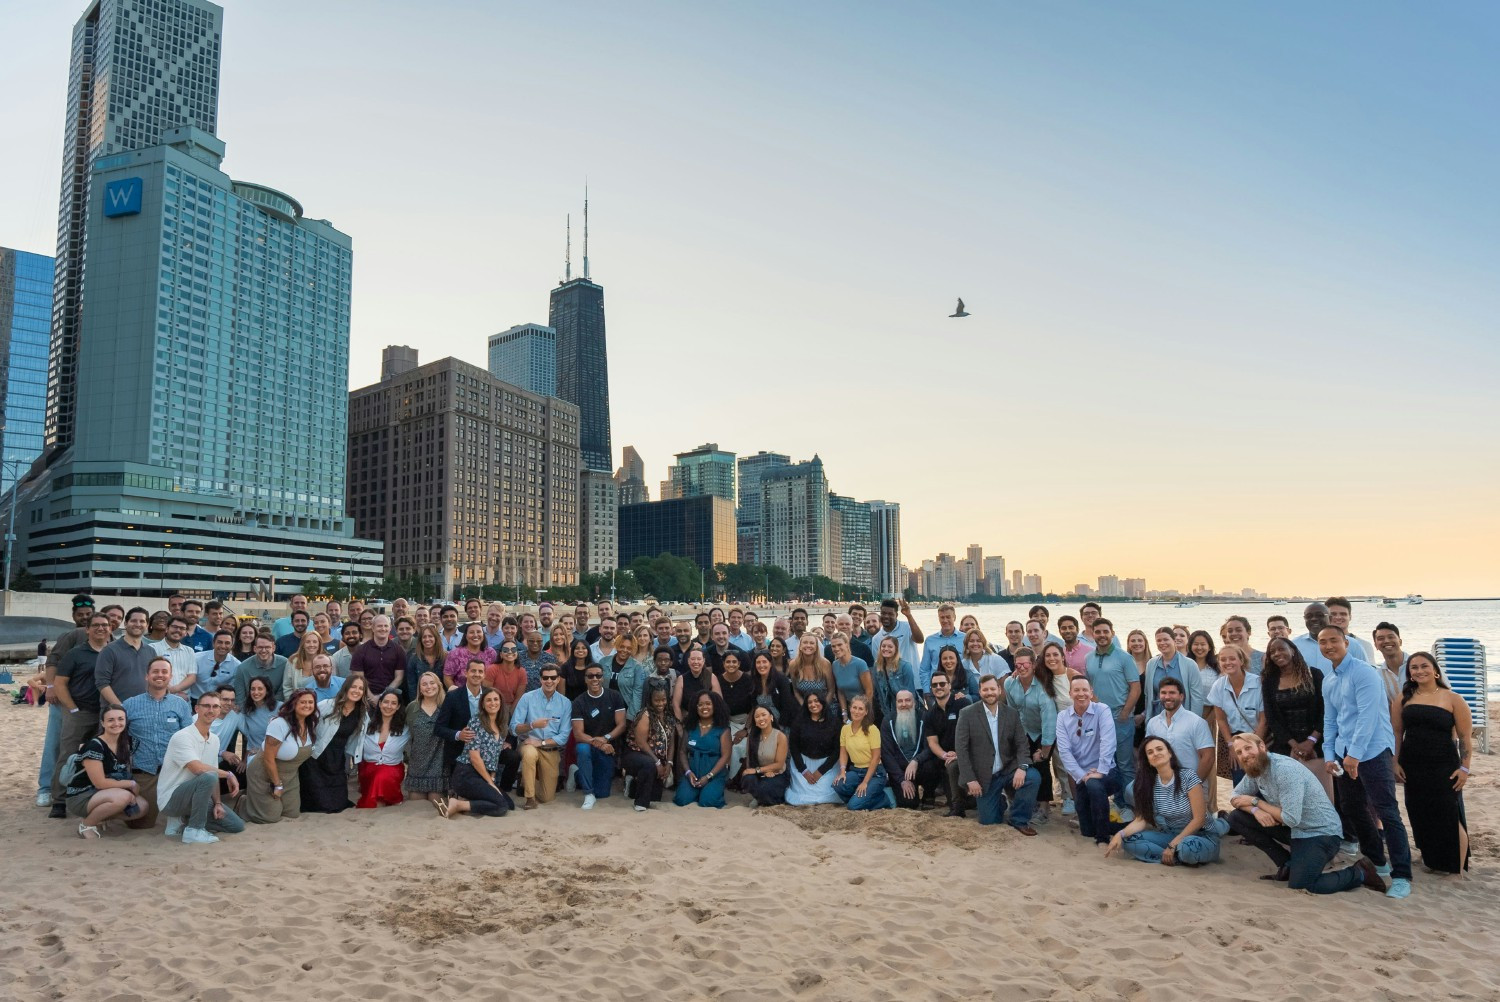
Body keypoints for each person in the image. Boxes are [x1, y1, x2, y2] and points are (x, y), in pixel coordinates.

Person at [1226, 732, 1385, 894]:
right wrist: (1255, 811)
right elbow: (1234, 797)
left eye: (1248, 748)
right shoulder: (1256, 768)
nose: (1244, 755)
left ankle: (1360, 873)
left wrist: (1256, 802)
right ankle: (1286, 865)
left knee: (1304, 884)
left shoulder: (1284, 770)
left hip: (1321, 832)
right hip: (1296, 829)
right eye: (1239, 752)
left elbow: (1290, 819)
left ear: (1261, 746)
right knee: (1236, 818)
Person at [1320, 624, 1413, 898]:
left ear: (1346, 642)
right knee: (1352, 807)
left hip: (1372, 752)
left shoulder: (1364, 672)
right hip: (1343, 751)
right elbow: (1330, 720)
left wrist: (1355, 756)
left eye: (1333, 641)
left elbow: (1368, 716)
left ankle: (1402, 875)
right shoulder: (1329, 679)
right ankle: (1378, 861)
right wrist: (1329, 755)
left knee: (1387, 811)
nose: (1328, 646)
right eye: (1323, 642)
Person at [1394, 652, 1472, 875]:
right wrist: (1395, 762)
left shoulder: (1453, 698)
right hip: (1412, 764)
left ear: (1435, 670)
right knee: (1420, 812)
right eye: (1414, 667)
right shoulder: (1403, 698)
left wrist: (1464, 768)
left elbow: (1466, 738)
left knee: (1448, 814)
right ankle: (1432, 859)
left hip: (1443, 765)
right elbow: (1397, 733)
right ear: (1409, 673)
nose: (1419, 671)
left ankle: (1455, 868)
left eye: (1424, 666)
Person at [1105, 736, 1223, 866]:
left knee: (1186, 848)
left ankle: (1176, 854)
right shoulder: (1148, 785)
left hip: (1200, 835)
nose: (1155, 753)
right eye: (1150, 752)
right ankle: (1173, 857)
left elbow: (1199, 819)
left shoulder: (1188, 777)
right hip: (1170, 835)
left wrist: (1173, 845)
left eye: (1159, 749)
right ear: (1148, 761)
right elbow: (1141, 820)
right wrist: (1119, 834)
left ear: (1170, 753)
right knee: (1127, 840)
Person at [156, 691, 245, 844]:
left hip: (196, 797)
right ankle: (194, 831)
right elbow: (198, 769)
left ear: (219, 710)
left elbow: (213, 774)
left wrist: (217, 803)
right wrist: (229, 774)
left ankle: (184, 821)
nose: (211, 710)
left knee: (236, 825)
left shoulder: (214, 740)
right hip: (171, 799)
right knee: (208, 775)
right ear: (197, 709)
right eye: (206, 706)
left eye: (215, 706)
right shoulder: (182, 736)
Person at [49, 611, 114, 813]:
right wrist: (73, 709)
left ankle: (92, 793)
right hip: (80, 712)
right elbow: (60, 683)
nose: (101, 628)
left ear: (110, 629)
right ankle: (59, 800)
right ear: (87, 629)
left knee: (100, 756)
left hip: (105, 713)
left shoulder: (113, 652)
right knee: (67, 754)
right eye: (96, 625)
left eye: (105, 625)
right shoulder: (76, 653)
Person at [956, 676, 1039, 832]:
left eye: (993, 689)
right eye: (985, 689)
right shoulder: (967, 714)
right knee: (989, 821)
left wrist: (1022, 767)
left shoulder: (1011, 714)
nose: (989, 693)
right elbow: (961, 750)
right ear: (980, 691)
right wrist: (971, 779)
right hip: (984, 777)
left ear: (999, 690)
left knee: (1032, 777)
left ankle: (1018, 819)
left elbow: (1022, 743)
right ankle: (1000, 800)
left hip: (1008, 769)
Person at [121, 659, 193, 830]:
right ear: (147, 676)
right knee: (140, 824)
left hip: (174, 772)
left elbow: (189, 737)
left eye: (164, 672)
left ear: (170, 676)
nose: (160, 675)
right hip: (145, 772)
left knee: (183, 823)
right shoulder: (130, 704)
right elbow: (117, 736)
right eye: (155, 671)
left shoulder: (180, 705)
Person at [1055, 677, 1123, 845]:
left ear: (1091, 693)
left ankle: (1103, 838)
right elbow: (1064, 752)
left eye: (1085, 690)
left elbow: (1109, 742)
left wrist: (1100, 770)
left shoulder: (1102, 710)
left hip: (1107, 773)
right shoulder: (1062, 717)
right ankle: (1115, 828)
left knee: (1094, 784)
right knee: (1086, 830)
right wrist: (1082, 775)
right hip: (1082, 776)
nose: (1081, 694)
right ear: (1070, 693)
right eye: (1076, 690)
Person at [63, 706, 148, 838]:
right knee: (123, 797)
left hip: (106, 793)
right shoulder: (94, 746)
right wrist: (130, 784)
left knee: (142, 806)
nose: (116, 723)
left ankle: (101, 816)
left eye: (121, 719)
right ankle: (86, 825)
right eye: (111, 720)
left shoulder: (126, 743)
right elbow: (100, 783)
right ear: (103, 723)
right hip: (82, 795)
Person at [1084, 619, 1140, 818]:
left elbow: (1135, 687)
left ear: (1112, 632)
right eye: (1097, 631)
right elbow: (1089, 687)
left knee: (1125, 764)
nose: (1101, 635)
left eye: (1105, 631)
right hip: (1098, 718)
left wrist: (1126, 712)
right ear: (1093, 633)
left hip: (1120, 717)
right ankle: (1114, 802)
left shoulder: (1124, 657)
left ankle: (1129, 805)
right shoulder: (1089, 658)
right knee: (1104, 762)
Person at [243, 690, 319, 824]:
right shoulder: (279, 724)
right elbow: (268, 758)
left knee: (293, 813)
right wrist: (277, 785)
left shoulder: (310, 724)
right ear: (293, 704)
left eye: (310, 702)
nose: (307, 705)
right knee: (269, 817)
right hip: (264, 775)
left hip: (290, 777)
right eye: (302, 702)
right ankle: (243, 803)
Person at [1003, 649, 1058, 815]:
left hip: (1043, 732)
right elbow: (1012, 711)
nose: (1022, 667)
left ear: (1033, 664)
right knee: (1017, 763)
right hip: (1023, 730)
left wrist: (1044, 750)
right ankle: (1021, 799)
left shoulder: (1043, 686)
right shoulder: (1009, 683)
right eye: (1018, 664)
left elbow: (1049, 721)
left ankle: (1044, 807)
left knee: (1041, 766)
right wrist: (1015, 737)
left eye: (1025, 663)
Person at [303, 674, 368, 814]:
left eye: (361, 688)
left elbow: (358, 740)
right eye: (354, 687)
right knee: (317, 802)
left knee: (338, 803)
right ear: (346, 688)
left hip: (338, 757)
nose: (357, 691)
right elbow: (308, 724)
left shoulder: (362, 714)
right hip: (317, 755)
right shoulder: (327, 705)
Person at [442, 688, 512, 819]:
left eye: (496, 699)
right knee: (501, 806)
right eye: (489, 700)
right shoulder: (476, 722)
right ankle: (458, 804)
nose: (493, 703)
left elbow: (495, 756)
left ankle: (466, 800)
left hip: (482, 774)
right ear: (483, 704)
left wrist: (492, 777)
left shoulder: (502, 726)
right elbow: (475, 758)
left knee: (509, 804)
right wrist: (490, 784)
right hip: (466, 773)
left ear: (501, 702)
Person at [511, 666, 571, 809]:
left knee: (546, 797)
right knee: (529, 754)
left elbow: (563, 737)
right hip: (529, 744)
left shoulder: (565, 703)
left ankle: (525, 780)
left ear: (558, 680)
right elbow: (513, 727)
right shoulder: (527, 698)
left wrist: (541, 742)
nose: (549, 681)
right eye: (545, 678)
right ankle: (529, 798)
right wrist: (532, 725)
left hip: (550, 749)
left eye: (552, 678)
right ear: (540, 679)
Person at [1144, 677, 1215, 793]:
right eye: (1163, 693)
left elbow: (1208, 757)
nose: (1167, 697)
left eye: (1172, 693)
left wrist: (1193, 786)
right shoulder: (1153, 723)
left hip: (1191, 786)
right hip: (1161, 785)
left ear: (1181, 696)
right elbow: (1148, 754)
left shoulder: (1196, 722)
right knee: (1130, 791)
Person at [572, 663, 627, 809]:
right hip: (589, 745)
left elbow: (621, 725)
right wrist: (599, 743)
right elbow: (578, 734)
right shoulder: (579, 702)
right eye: (590, 676)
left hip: (609, 747)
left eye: (598, 675)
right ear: (585, 679)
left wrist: (606, 738)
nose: (594, 679)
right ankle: (588, 794)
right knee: (582, 749)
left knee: (602, 793)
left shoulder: (614, 696)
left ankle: (577, 774)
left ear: (603, 678)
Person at [1206, 644, 1262, 783]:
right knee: (1241, 784)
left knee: (1262, 785)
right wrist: (1231, 745)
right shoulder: (1218, 686)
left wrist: (1255, 746)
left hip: (1258, 737)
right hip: (1236, 741)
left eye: (1232, 659)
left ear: (1241, 661)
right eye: (1223, 660)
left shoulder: (1258, 683)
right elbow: (1221, 720)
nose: (1227, 663)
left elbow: (1264, 720)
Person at [880, 689, 942, 809]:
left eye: (908, 700)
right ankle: (906, 791)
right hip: (900, 771)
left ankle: (928, 795)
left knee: (933, 765)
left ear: (914, 702)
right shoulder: (887, 721)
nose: (904, 704)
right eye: (900, 701)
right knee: (909, 804)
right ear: (896, 703)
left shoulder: (924, 717)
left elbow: (930, 747)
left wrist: (916, 761)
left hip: (920, 766)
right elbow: (886, 754)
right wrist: (902, 780)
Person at [624, 682, 678, 812]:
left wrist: (669, 763)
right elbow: (641, 743)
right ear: (650, 699)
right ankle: (640, 804)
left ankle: (632, 785)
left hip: (657, 758)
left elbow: (671, 742)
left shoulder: (669, 716)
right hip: (636, 754)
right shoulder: (645, 715)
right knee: (649, 764)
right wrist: (658, 762)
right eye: (657, 700)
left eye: (663, 699)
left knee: (655, 796)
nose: (660, 703)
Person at [832, 695, 891, 811]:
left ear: (866, 712)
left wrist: (865, 782)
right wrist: (842, 771)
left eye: (860, 709)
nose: (856, 711)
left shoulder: (872, 729)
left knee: (853, 806)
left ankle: (885, 798)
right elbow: (843, 752)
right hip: (856, 771)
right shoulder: (845, 729)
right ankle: (862, 798)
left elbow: (876, 757)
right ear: (850, 708)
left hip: (874, 773)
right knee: (838, 784)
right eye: (854, 707)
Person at [923, 672, 970, 816]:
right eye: (935, 685)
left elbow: (973, 734)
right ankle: (939, 799)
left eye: (942, 684)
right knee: (928, 766)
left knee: (952, 767)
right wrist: (944, 755)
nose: (939, 687)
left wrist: (958, 753)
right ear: (931, 689)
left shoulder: (963, 704)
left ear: (949, 686)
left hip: (966, 753)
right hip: (945, 758)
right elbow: (932, 742)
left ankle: (957, 809)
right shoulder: (930, 714)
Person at [674, 691, 731, 809]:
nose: (704, 707)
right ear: (696, 707)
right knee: (681, 799)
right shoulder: (690, 726)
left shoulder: (722, 728)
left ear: (715, 706)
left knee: (707, 801)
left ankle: (707, 791)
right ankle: (697, 791)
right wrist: (688, 773)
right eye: (700, 704)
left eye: (708, 703)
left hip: (713, 773)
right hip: (693, 771)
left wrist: (709, 776)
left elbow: (726, 756)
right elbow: (682, 752)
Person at [786, 691, 842, 806]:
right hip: (803, 764)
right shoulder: (799, 722)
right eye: (810, 702)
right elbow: (794, 747)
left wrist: (821, 771)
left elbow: (837, 750)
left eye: (816, 701)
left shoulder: (834, 722)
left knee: (826, 792)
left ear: (822, 702)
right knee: (802, 793)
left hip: (827, 766)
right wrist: (804, 771)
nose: (813, 704)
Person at [403, 671, 449, 805]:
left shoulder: (446, 706)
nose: (428, 687)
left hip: (438, 765)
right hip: (417, 764)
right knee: (416, 805)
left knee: (436, 803)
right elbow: (406, 734)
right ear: (420, 689)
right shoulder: (413, 707)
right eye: (424, 684)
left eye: (432, 683)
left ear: (439, 685)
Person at [357, 691, 409, 808]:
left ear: (398, 707)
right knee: (377, 777)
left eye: (393, 703)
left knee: (382, 777)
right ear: (380, 703)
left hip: (392, 768)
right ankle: (384, 801)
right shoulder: (366, 725)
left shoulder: (405, 729)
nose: (389, 706)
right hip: (368, 768)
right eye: (386, 702)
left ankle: (382, 802)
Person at [95, 608, 155, 707]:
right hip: (115, 713)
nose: (138, 624)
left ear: (147, 625)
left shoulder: (151, 651)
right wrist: (120, 707)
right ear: (126, 624)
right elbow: (102, 683)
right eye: (133, 621)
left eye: (142, 621)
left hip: (143, 711)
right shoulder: (109, 650)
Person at [1144, 627, 1206, 718]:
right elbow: (1148, 694)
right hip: (1157, 717)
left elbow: (1197, 697)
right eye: (1159, 640)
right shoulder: (1151, 664)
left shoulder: (1190, 664)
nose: (1162, 643)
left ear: (1174, 640)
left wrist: (1193, 722)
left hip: (1183, 718)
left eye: (1166, 639)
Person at [742, 704, 790, 806]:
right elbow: (749, 763)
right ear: (754, 721)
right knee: (747, 779)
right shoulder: (752, 737)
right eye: (757, 716)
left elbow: (779, 765)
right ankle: (760, 798)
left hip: (778, 774)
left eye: (764, 715)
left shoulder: (780, 736)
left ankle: (763, 799)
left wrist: (761, 770)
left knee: (766, 787)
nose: (761, 718)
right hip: (759, 774)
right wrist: (757, 772)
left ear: (771, 717)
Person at [352, 615, 406, 697]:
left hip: (390, 697)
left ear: (390, 628)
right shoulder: (360, 650)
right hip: (365, 697)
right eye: (379, 626)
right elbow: (358, 677)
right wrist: (372, 698)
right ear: (373, 628)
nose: (383, 629)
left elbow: (399, 678)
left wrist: (383, 696)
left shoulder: (398, 650)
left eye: (386, 626)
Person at [917, 603, 965, 692]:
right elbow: (924, 669)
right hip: (937, 688)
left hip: (960, 687)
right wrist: (927, 692)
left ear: (954, 617)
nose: (945, 620)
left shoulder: (965, 639)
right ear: (938, 618)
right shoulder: (930, 640)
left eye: (948, 617)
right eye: (942, 617)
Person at [869, 636, 916, 726]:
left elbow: (911, 693)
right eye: (883, 646)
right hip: (886, 712)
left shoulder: (905, 666)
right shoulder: (876, 667)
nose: (886, 649)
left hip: (905, 710)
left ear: (896, 649)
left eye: (890, 646)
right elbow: (878, 693)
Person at [233, 635, 289, 708]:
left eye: (267, 647)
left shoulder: (285, 664)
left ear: (273, 648)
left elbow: (283, 691)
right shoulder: (243, 668)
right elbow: (240, 698)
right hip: (251, 709)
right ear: (255, 649)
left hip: (276, 708)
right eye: (260, 647)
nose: (263, 650)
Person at [870, 597, 925, 672]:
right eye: (883, 613)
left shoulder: (907, 627)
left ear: (896, 615)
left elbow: (920, 640)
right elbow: (879, 663)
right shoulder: (876, 639)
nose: (886, 616)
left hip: (913, 678)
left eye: (890, 614)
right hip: (892, 680)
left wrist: (909, 615)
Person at [152, 617, 199, 698]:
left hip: (183, 698)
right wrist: (170, 692)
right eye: (175, 627)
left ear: (185, 633)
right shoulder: (153, 648)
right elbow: (150, 674)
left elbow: (192, 677)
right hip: (159, 697)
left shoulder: (189, 651)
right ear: (167, 629)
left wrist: (175, 690)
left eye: (182, 628)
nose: (178, 630)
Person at [673, 649, 722, 723]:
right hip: (688, 720)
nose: (696, 662)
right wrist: (680, 725)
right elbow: (676, 704)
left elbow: (719, 702)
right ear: (688, 661)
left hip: (709, 719)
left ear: (703, 661)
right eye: (693, 659)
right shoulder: (681, 679)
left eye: (699, 659)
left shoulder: (711, 677)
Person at [749, 652, 797, 727]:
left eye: (764, 662)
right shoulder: (753, 681)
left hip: (781, 723)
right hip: (762, 724)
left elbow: (787, 706)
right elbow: (754, 706)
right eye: (758, 662)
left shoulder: (781, 680)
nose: (761, 665)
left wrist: (779, 727)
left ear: (770, 664)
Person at [192, 629, 240, 705]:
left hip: (218, 703)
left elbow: (233, 688)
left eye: (227, 643)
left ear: (232, 645)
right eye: (220, 642)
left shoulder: (236, 665)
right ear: (213, 643)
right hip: (195, 699)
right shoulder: (197, 658)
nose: (223, 646)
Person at [828, 632, 873, 711]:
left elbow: (869, 691)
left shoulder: (860, 664)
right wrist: (844, 712)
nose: (836, 648)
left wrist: (863, 710)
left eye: (839, 645)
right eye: (833, 646)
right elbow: (840, 691)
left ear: (846, 644)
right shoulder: (834, 665)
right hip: (849, 708)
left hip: (864, 708)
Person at [281, 630, 329, 701]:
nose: (311, 645)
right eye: (308, 642)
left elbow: (331, 686)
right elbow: (287, 687)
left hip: (322, 705)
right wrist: (292, 704)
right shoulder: (293, 661)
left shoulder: (328, 661)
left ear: (319, 644)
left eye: (315, 642)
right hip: (297, 705)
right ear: (303, 644)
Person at [443, 621, 493, 689]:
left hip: (485, 696)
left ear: (483, 635)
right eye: (471, 632)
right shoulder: (455, 654)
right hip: (461, 696)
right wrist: (456, 694)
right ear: (466, 636)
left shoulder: (491, 653)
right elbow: (447, 678)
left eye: (478, 632)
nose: (475, 635)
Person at [1326, 597, 1376, 662]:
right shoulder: (1320, 645)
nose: (1338, 617)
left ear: (1350, 617)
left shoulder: (1364, 645)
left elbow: (1369, 670)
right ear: (1326, 617)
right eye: (1333, 614)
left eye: (1343, 614)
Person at [407, 624, 447, 702]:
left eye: (430, 636)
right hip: (422, 701)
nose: (427, 639)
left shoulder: (446, 657)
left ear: (436, 638)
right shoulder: (414, 659)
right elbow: (412, 686)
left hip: (443, 701)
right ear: (420, 640)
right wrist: (417, 704)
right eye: (424, 637)